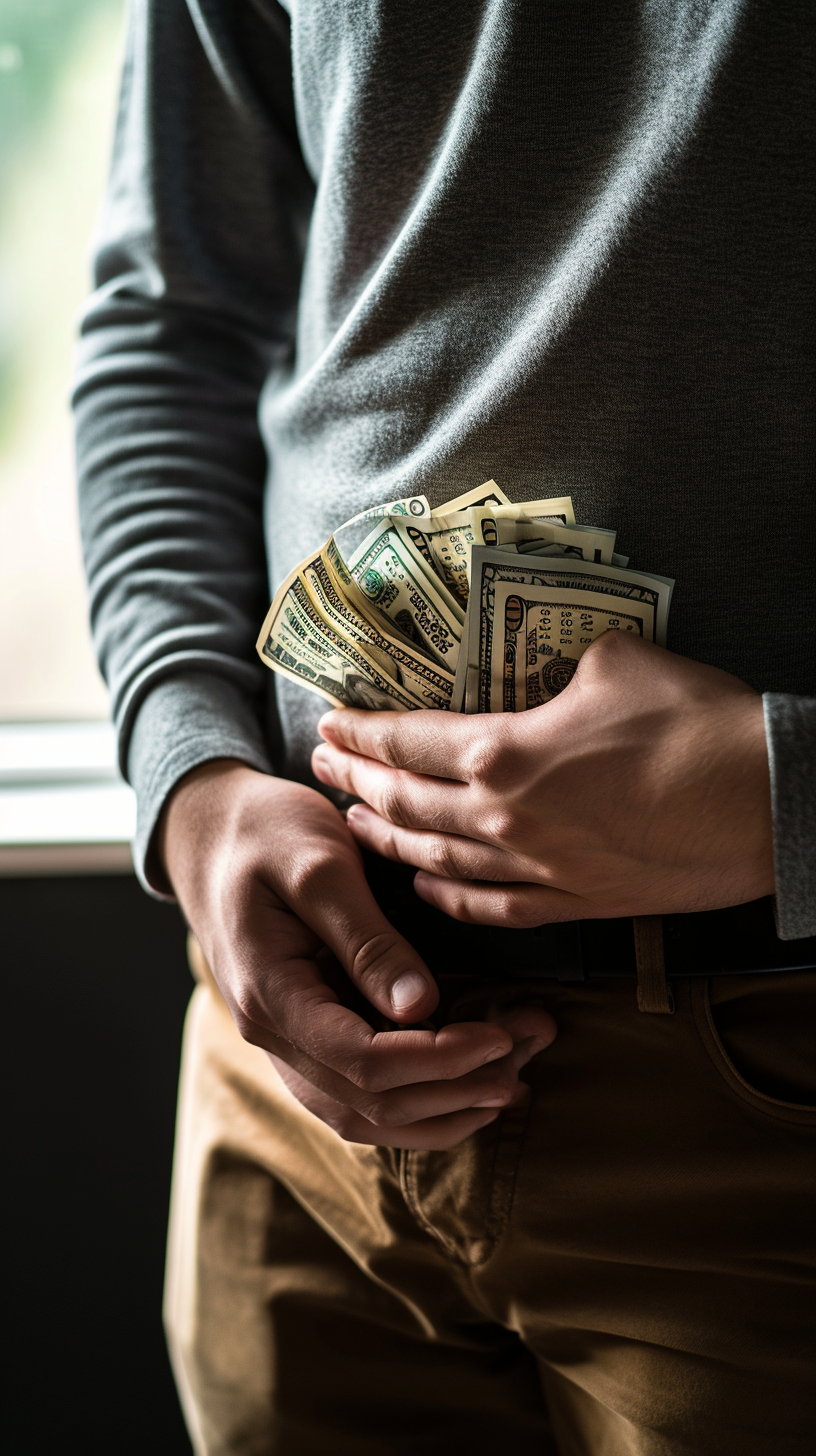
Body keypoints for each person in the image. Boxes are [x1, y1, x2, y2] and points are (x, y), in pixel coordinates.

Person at [74, 2, 815, 1452]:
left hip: (776, 1102)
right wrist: (196, 780)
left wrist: (790, 794)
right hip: (292, 1072)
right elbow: (177, 321)